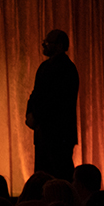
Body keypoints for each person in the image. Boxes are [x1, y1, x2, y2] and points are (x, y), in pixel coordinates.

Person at [25, 29, 79, 181]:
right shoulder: (44, 67)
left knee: (60, 175)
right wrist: (30, 114)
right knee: (44, 176)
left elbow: (55, 100)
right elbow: (36, 94)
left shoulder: (67, 69)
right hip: (44, 131)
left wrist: (36, 116)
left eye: (49, 43)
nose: (44, 45)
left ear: (60, 46)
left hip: (59, 133)